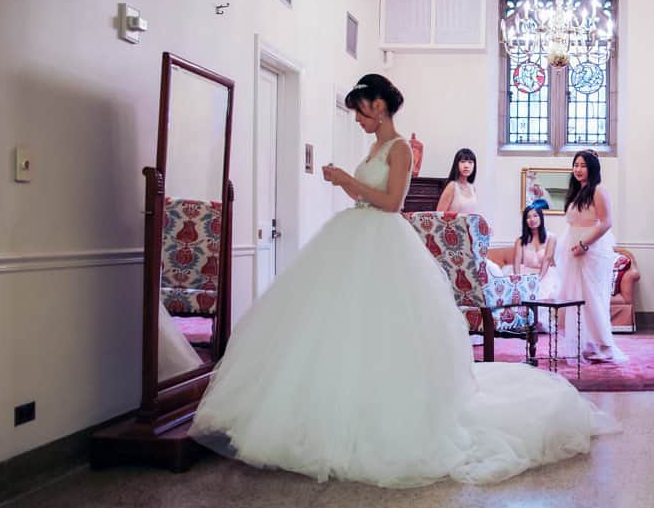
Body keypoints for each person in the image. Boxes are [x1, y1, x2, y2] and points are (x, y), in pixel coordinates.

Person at [191, 75, 614, 486]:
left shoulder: (400, 150)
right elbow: (364, 197)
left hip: (382, 239)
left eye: (359, 110)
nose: (356, 119)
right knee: (338, 322)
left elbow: (392, 203)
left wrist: (347, 180)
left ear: (377, 106)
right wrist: (348, 185)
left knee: (382, 322)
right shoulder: (375, 145)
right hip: (352, 235)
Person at [552, 150, 627, 364]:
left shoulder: (598, 191)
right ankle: (587, 343)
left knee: (592, 298)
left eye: (583, 165)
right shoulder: (578, 192)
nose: (578, 169)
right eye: (576, 165)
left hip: (591, 250)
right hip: (575, 248)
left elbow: (606, 222)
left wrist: (585, 244)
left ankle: (605, 345)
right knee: (577, 298)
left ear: (592, 168)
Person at [514, 200, 560, 328]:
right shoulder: (520, 240)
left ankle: (537, 322)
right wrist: (518, 280)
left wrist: (539, 278)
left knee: (543, 291)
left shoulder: (551, 237)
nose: (532, 219)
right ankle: (522, 321)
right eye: (528, 217)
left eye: (535, 215)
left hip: (545, 273)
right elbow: (517, 262)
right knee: (521, 291)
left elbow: (547, 258)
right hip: (526, 274)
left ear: (541, 217)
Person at [435, 147, 478, 213]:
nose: (466, 165)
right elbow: (439, 214)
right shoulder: (452, 186)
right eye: (462, 162)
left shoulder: (472, 188)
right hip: (453, 223)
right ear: (456, 164)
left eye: (470, 162)